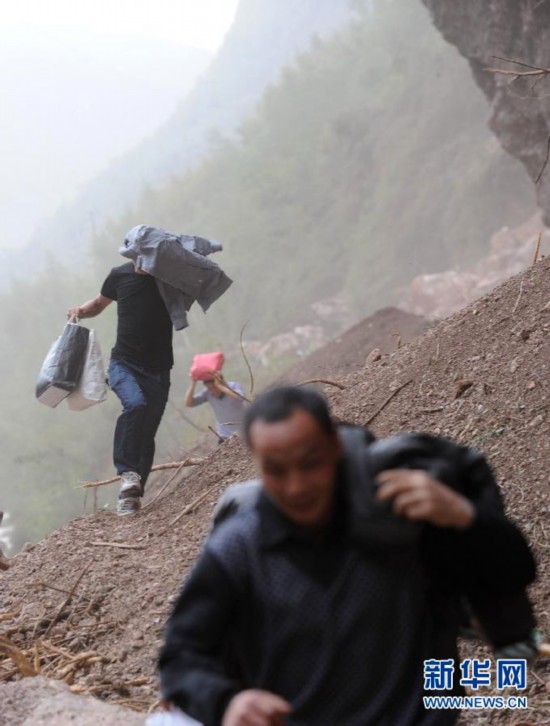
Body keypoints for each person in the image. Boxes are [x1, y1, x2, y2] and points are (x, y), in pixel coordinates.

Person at [158, 386, 536, 726]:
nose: (296, 486)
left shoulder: (402, 518)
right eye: (276, 471)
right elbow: (181, 654)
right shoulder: (240, 546)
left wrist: (466, 518)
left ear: (335, 446)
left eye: (310, 464)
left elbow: (512, 573)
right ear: (256, 464)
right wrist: (227, 702)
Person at [67, 261, 173, 516]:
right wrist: (79, 311)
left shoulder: (170, 275)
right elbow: (99, 303)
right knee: (135, 404)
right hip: (123, 364)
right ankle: (127, 472)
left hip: (159, 370)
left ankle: (132, 497)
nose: (142, 264)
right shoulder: (119, 275)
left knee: (146, 437)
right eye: (138, 256)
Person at [184, 374, 246, 441]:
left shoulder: (234, 385)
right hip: (224, 434)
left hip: (243, 428)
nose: (212, 391)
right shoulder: (207, 393)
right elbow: (189, 403)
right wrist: (193, 384)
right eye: (209, 388)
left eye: (213, 387)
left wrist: (221, 387)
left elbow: (240, 397)